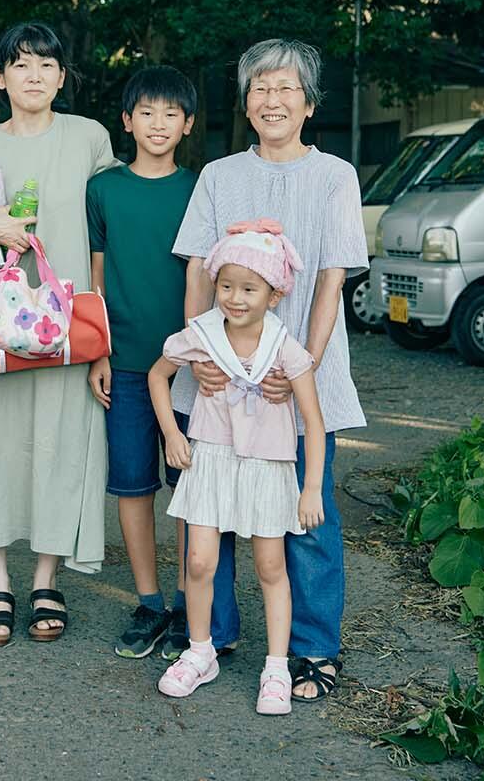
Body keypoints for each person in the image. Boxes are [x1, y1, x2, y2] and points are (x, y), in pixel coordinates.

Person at [170, 38, 368, 702]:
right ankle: (212, 636)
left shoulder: (336, 175)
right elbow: (198, 269)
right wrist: (197, 355)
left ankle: (313, 648)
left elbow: (331, 278)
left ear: (309, 103)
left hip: (300, 373)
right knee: (212, 507)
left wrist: (300, 364)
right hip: (219, 373)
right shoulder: (219, 176)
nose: (272, 99)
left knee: (307, 514)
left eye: (286, 88)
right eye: (260, 88)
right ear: (247, 103)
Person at [0, 22, 118, 648]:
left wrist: (107, 337)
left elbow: (108, 231)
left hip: (63, 321)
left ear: (63, 77)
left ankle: (46, 579)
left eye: (46, 65)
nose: (34, 75)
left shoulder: (89, 138)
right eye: (21, 64)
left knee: (59, 438)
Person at [147, 220, 325, 715]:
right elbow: (157, 377)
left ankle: (275, 667)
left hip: (268, 465)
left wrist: (311, 488)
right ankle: (201, 652)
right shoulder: (202, 336)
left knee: (271, 566)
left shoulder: (284, 347)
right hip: (211, 458)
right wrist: (173, 434)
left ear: (274, 294)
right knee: (199, 560)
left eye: (249, 288)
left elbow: (312, 417)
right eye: (225, 286)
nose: (235, 298)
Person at [86, 65, 199, 658]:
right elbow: (98, 276)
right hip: (124, 363)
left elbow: (206, 276)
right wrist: (98, 352)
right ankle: (149, 602)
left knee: (187, 486)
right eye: (146, 113)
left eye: (171, 114)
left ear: (187, 124)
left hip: (187, 367)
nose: (159, 124)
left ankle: (188, 604)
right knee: (134, 485)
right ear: (126, 121)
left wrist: (197, 352)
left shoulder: (199, 188)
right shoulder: (104, 189)